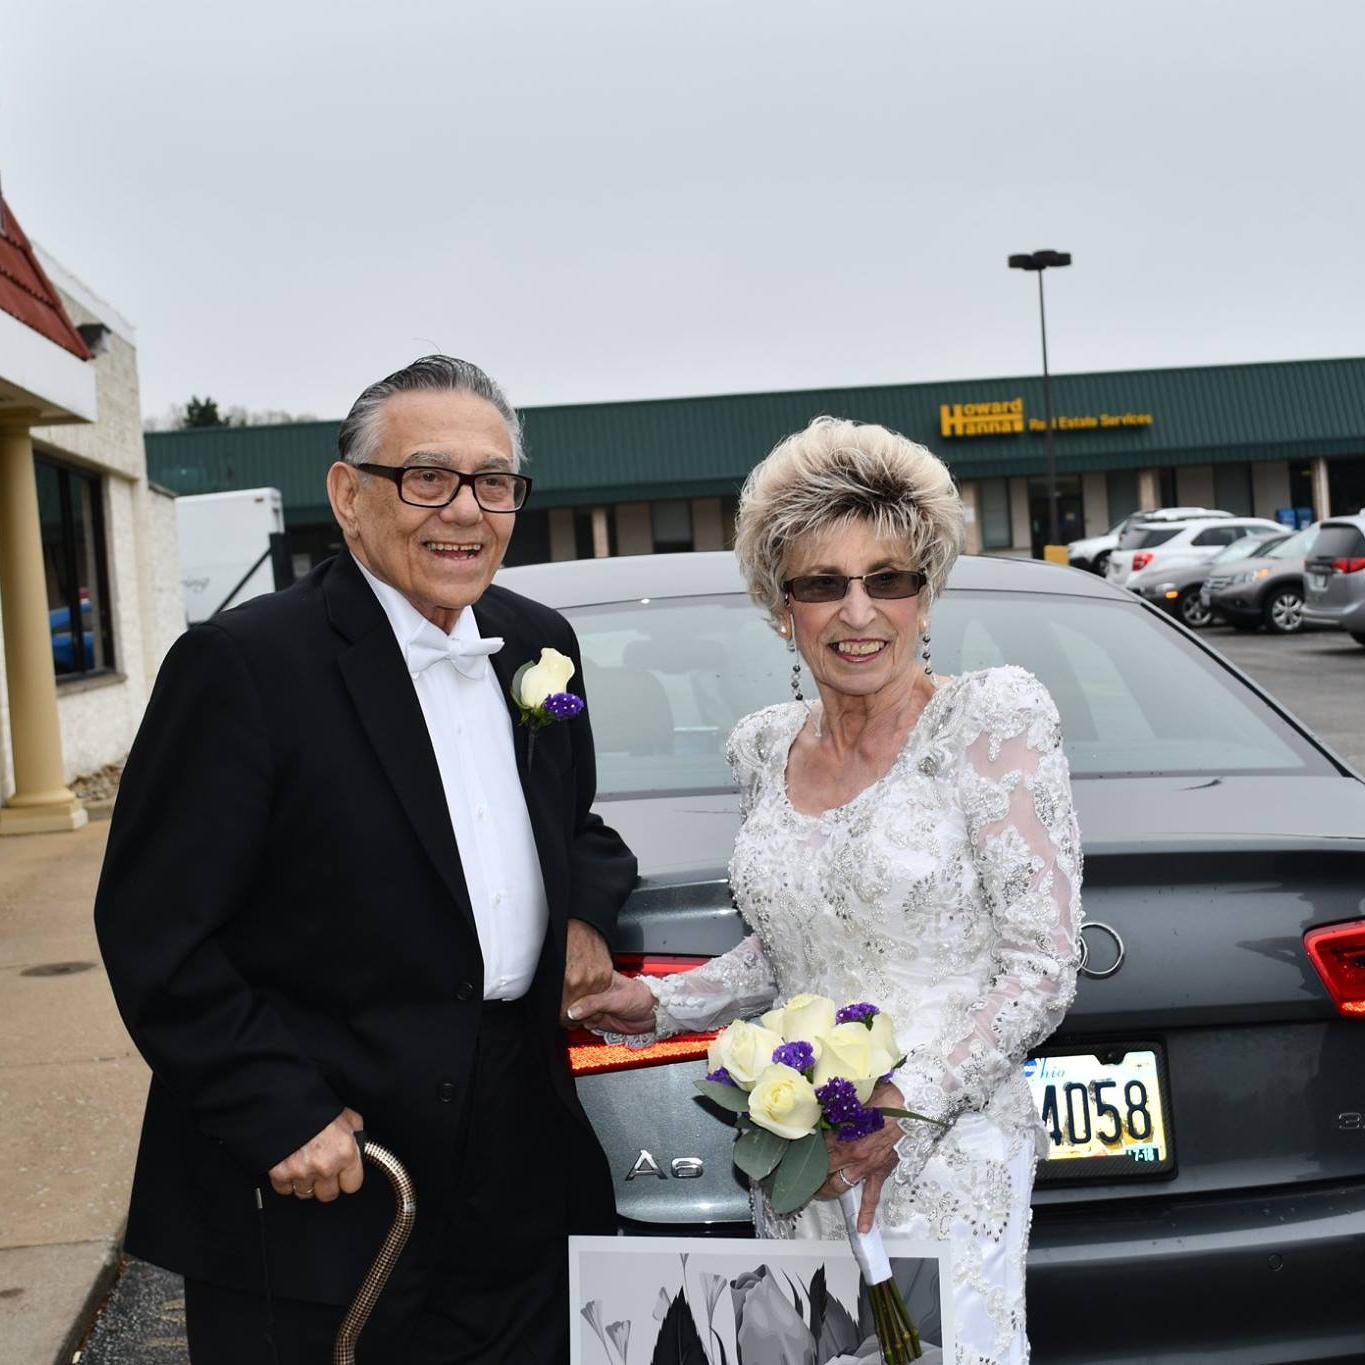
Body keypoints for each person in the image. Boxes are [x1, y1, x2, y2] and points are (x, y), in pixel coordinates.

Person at [95, 356, 637, 1364]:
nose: (465, 511)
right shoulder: (243, 668)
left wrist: (582, 915)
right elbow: (156, 928)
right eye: (427, 477)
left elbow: (579, 829)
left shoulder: (535, 643)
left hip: (519, 1161)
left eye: (494, 482)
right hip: (334, 1181)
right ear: (349, 495)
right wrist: (279, 1112)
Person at [572, 416, 1083, 1364]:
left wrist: (899, 1104)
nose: (859, 611)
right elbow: (788, 945)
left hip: (942, 1143)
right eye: (822, 584)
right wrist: (649, 1001)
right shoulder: (764, 746)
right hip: (798, 1151)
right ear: (780, 607)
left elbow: (1043, 967)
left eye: (888, 578)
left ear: (925, 594)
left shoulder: (990, 720)